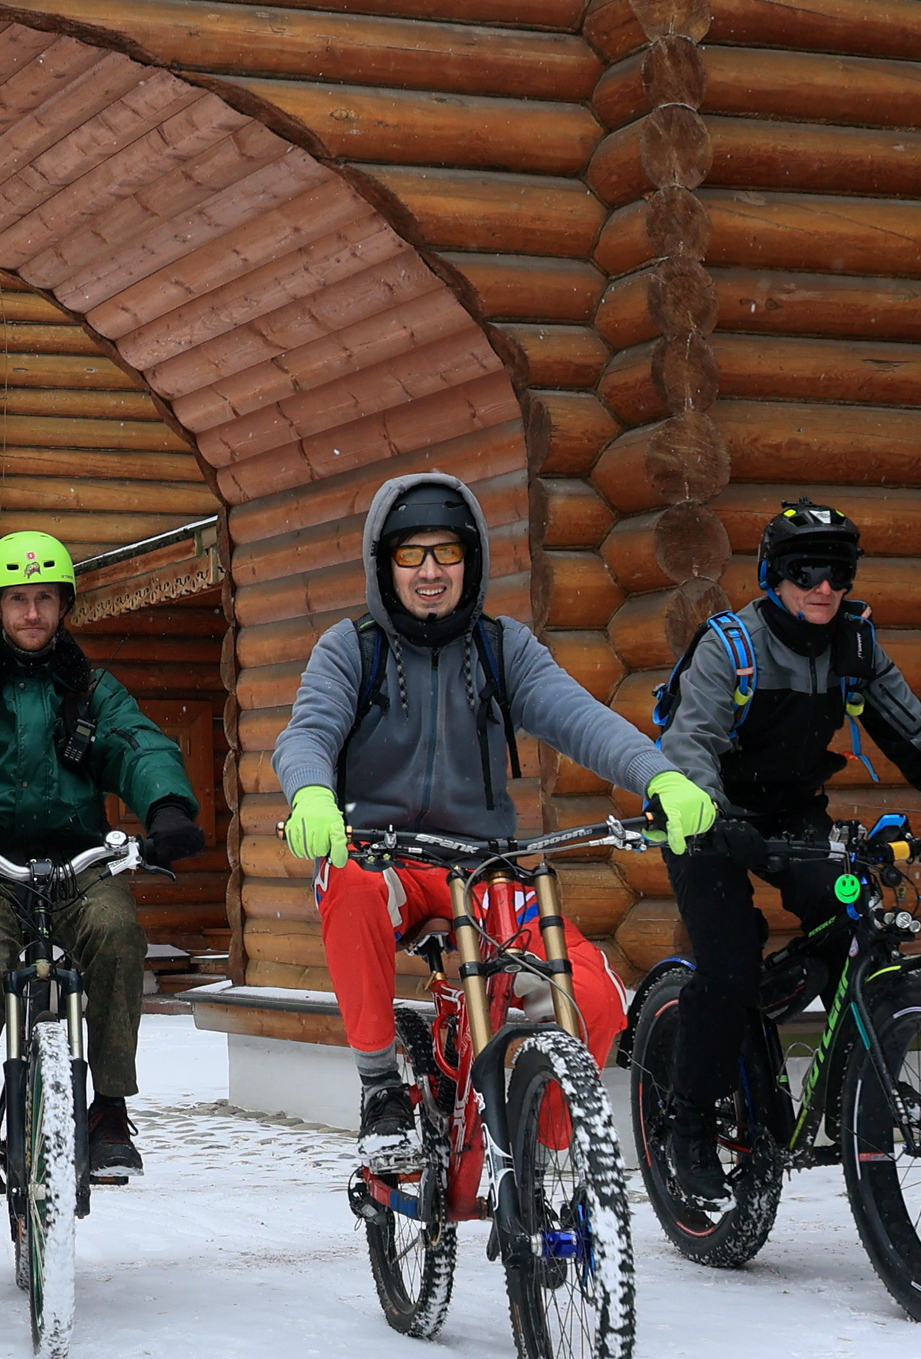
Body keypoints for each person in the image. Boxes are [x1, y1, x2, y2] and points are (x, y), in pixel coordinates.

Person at [272, 473, 718, 1169]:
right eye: (409, 555)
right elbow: (307, 733)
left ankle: (541, 1172)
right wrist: (311, 796)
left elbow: (580, 720)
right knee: (351, 885)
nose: (428, 572)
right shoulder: (348, 649)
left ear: (470, 562)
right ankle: (380, 1089)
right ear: (382, 565)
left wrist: (658, 776)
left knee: (593, 1001)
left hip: (481, 866)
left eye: (445, 553)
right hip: (381, 857)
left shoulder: (500, 648)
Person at [652, 499, 921, 1203]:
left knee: (851, 919)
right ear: (772, 575)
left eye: (836, 572)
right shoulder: (729, 646)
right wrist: (705, 813)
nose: (822, 587)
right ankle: (687, 1124)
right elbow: (688, 745)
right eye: (804, 571)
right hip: (704, 817)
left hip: (794, 816)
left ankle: (861, 1097)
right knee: (729, 962)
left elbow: (916, 734)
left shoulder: (854, 648)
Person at [0, 531, 208, 1189]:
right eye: (19, 600)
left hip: (79, 863)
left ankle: (109, 1107)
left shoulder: (90, 689)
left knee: (116, 939)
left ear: (63, 607)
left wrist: (166, 805)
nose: (32, 614)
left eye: (45, 600)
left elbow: (137, 744)